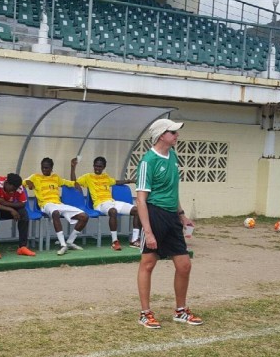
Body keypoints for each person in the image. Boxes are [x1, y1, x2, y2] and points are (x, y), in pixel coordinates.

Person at [135, 119, 202, 329]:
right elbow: (141, 200)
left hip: (172, 217)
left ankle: (180, 310)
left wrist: (181, 214)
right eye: (173, 132)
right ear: (162, 135)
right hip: (154, 216)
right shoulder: (148, 161)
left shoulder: (173, 155)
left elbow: (173, 190)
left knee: (184, 265)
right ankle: (145, 313)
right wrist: (148, 232)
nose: (177, 135)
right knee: (148, 264)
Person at [71, 156, 141, 251]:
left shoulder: (106, 177)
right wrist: (73, 167)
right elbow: (73, 182)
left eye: (100, 166)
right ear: (93, 166)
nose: (97, 168)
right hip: (99, 204)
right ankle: (115, 241)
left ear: (103, 167)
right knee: (113, 211)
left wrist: (130, 181)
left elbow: (116, 182)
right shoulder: (88, 177)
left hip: (111, 202)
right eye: (96, 166)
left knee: (137, 210)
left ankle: (134, 240)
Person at [24, 157, 88, 256]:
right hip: (46, 204)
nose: (44, 170)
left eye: (47, 168)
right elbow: (24, 182)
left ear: (51, 168)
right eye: (43, 168)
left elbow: (66, 182)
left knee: (84, 216)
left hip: (58, 204)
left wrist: (75, 184)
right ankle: (63, 245)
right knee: (55, 213)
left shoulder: (55, 177)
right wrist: (29, 183)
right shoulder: (35, 177)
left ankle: (70, 242)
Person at [0, 173, 36, 257]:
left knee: (23, 213)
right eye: (12, 189)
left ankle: (22, 247)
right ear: (7, 183)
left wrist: (6, 203)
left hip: (7, 207)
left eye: (16, 189)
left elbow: (23, 203)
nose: (14, 191)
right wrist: (11, 209)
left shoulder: (18, 187)